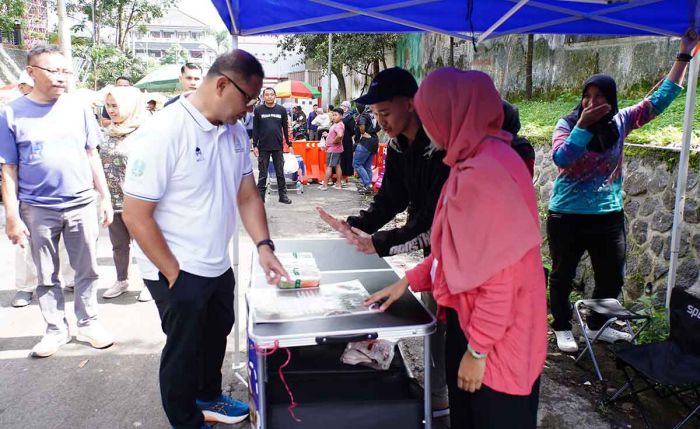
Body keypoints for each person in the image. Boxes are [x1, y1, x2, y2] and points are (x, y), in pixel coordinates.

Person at [366, 68, 547, 428]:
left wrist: (477, 351)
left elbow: (502, 278)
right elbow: (456, 247)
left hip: (496, 340)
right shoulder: (477, 158)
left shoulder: (486, 174)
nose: (427, 124)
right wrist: (408, 281)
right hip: (477, 323)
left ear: (454, 115)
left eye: (431, 114)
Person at [122, 49, 289, 429]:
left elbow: (247, 195)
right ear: (220, 85)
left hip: (216, 261)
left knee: (217, 330)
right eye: (248, 98)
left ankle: (209, 397)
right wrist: (174, 275)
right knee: (184, 350)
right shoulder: (164, 131)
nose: (250, 108)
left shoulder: (233, 132)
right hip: (175, 266)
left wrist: (264, 246)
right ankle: (185, 420)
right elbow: (135, 214)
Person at [548, 30, 699, 353]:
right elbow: (562, 159)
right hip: (566, 216)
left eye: (600, 96)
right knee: (563, 275)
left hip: (608, 217)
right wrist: (582, 127)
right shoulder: (566, 124)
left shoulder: (621, 121)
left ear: (611, 99)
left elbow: (658, 101)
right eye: (587, 96)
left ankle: (598, 326)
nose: (592, 102)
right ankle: (561, 326)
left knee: (612, 277)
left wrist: (683, 55)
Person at [317, 67, 452, 416]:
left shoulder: (443, 147)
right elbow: (390, 199)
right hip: (431, 250)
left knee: (452, 322)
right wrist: (357, 225)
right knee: (435, 318)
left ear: (411, 103)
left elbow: (434, 220)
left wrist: (379, 243)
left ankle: (454, 393)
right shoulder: (396, 145)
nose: (381, 122)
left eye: (386, 113)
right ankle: (438, 390)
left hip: (456, 245)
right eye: (376, 115)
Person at [0, 45, 115, 357]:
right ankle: (55, 329)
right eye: (54, 70)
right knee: (46, 273)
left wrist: (104, 197)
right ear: (32, 71)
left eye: (66, 71)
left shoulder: (78, 109)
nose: (62, 77)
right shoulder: (11, 113)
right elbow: (8, 168)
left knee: (87, 268)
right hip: (37, 207)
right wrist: (12, 215)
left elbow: (92, 154)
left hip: (81, 204)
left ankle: (88, 321)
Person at [99, 85, 152, 302]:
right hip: (113, 201)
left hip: (138, 202)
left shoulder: (144, 133)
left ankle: (151, 281)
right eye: (109, 106)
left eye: (116, 106)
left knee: (145, 245)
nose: (111, 110)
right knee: (119, 245)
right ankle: (121, 280)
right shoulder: (107, 132)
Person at [253, 87, 292, 204]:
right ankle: (260, 197)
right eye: (267, 95)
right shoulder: (258, 110)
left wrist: (289, 144)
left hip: (277, 147)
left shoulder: (281, 110)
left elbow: (285, 128)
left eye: (271, 94)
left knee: (280, 172)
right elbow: (255, 129)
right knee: (262, 173)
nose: (269, 96)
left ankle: (283, 196)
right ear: (263, 97)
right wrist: (255, 145)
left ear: (275, 96)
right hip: (263, 146)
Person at [319, 108, 345, 190]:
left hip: (333, 149)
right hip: (336, 148)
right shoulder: (337, 124)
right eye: (333, 115)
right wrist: (328, 135)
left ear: (341, 116)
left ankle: (325, 185)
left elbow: (340, 135)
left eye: (336, 115)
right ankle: (339, 184)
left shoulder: (339, 125)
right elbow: (336, 134)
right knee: (337, 166)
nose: (333, 117)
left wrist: (334, 141)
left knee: (329, 166)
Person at [352, 115, 379, 194]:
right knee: (367, 165)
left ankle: (367, 184)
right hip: (374, 140)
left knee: (357, 164)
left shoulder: (364, 115)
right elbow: (380, 126)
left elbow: (362, 125)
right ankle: (368, 186)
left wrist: (363, 133)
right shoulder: (375, 115)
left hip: (365, 142)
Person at [339, 100, 355, 186]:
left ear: (347, 108)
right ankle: (340, 177)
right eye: (342, 105)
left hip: (346, 141)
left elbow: (353, 130)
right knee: (340, 159)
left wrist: (347, 135)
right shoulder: (340, 117)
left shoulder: (350, 118)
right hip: (340, 141)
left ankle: (345, 177)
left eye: (344, 106)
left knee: (346, 158)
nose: (342, 107)